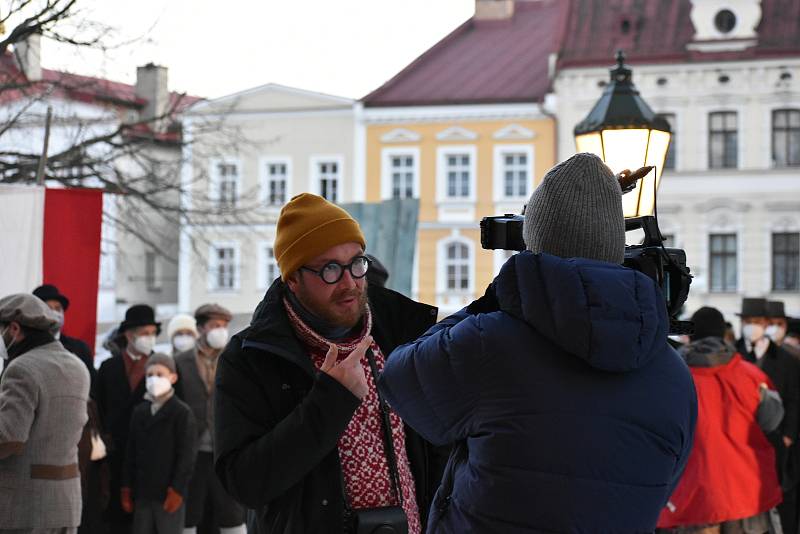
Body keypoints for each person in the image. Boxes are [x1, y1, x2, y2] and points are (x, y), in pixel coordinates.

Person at [378, 153, 697, 532]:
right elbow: (661, 484)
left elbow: (399, 379)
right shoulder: (674, 374)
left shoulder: (488, 345)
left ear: (535, 242)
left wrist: (493, 299)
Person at [214, 193, 447, 534]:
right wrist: (330, 401)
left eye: (357, 262)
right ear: (292, 278)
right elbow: (244, 483)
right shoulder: (251, 357)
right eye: (330, 270)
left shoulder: (402, 331)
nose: (350, 282)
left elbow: (439, 444)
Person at [657, 306, 783, 533]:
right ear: (724, 334)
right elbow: (772, 422)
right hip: (745, 494)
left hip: (688, 499)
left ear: (690, 334)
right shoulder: (753, 377)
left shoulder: (668, 378)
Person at [0, 293, 90, 533]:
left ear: (14, 328)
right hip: (65, 503)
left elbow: (9, 437)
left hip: (23, 508)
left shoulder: (22, 368)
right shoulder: (77, 365)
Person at [174, 304, 246, 534]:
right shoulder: (181, 360)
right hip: (191, 449)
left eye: (224, 326)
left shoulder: (235, 358)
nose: (221, 331)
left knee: (232, 512)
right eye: (215, 326)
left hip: (224, 449)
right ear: (201, 328)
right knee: (189, 512)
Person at [96, 304, 161, 534]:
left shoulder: (161, 367)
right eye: (145, 333)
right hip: (115, 452)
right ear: (129, 334)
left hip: (149, 456)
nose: (149, 338)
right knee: (116, 518)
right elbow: (98, 408)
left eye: (153, 333)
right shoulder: (108, 368)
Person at [737, 297, 800, 533]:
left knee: (779, 499)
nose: (753, 325)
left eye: (758, 321)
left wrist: (788, 435)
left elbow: (794, 399)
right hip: (743, 442)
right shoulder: (734, 355)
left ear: (766, 324)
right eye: (748, 321)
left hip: (777, 441)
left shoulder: (787, 360)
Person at [123, 353, 197, 534]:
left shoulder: (182, 412)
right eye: (150, 374)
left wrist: (177, 490)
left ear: (173, 377)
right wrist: (126, 486)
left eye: (160, 374)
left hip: (168, 493)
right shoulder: (140, 411)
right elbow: (130, 452)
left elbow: (186, 456)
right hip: (142, 492)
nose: (154, 379)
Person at [32, 283, 96, 385]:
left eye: (58, 309)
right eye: (48, 308)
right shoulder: (21, 348)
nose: (54, 313)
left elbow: (93, 386)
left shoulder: (80, 348)